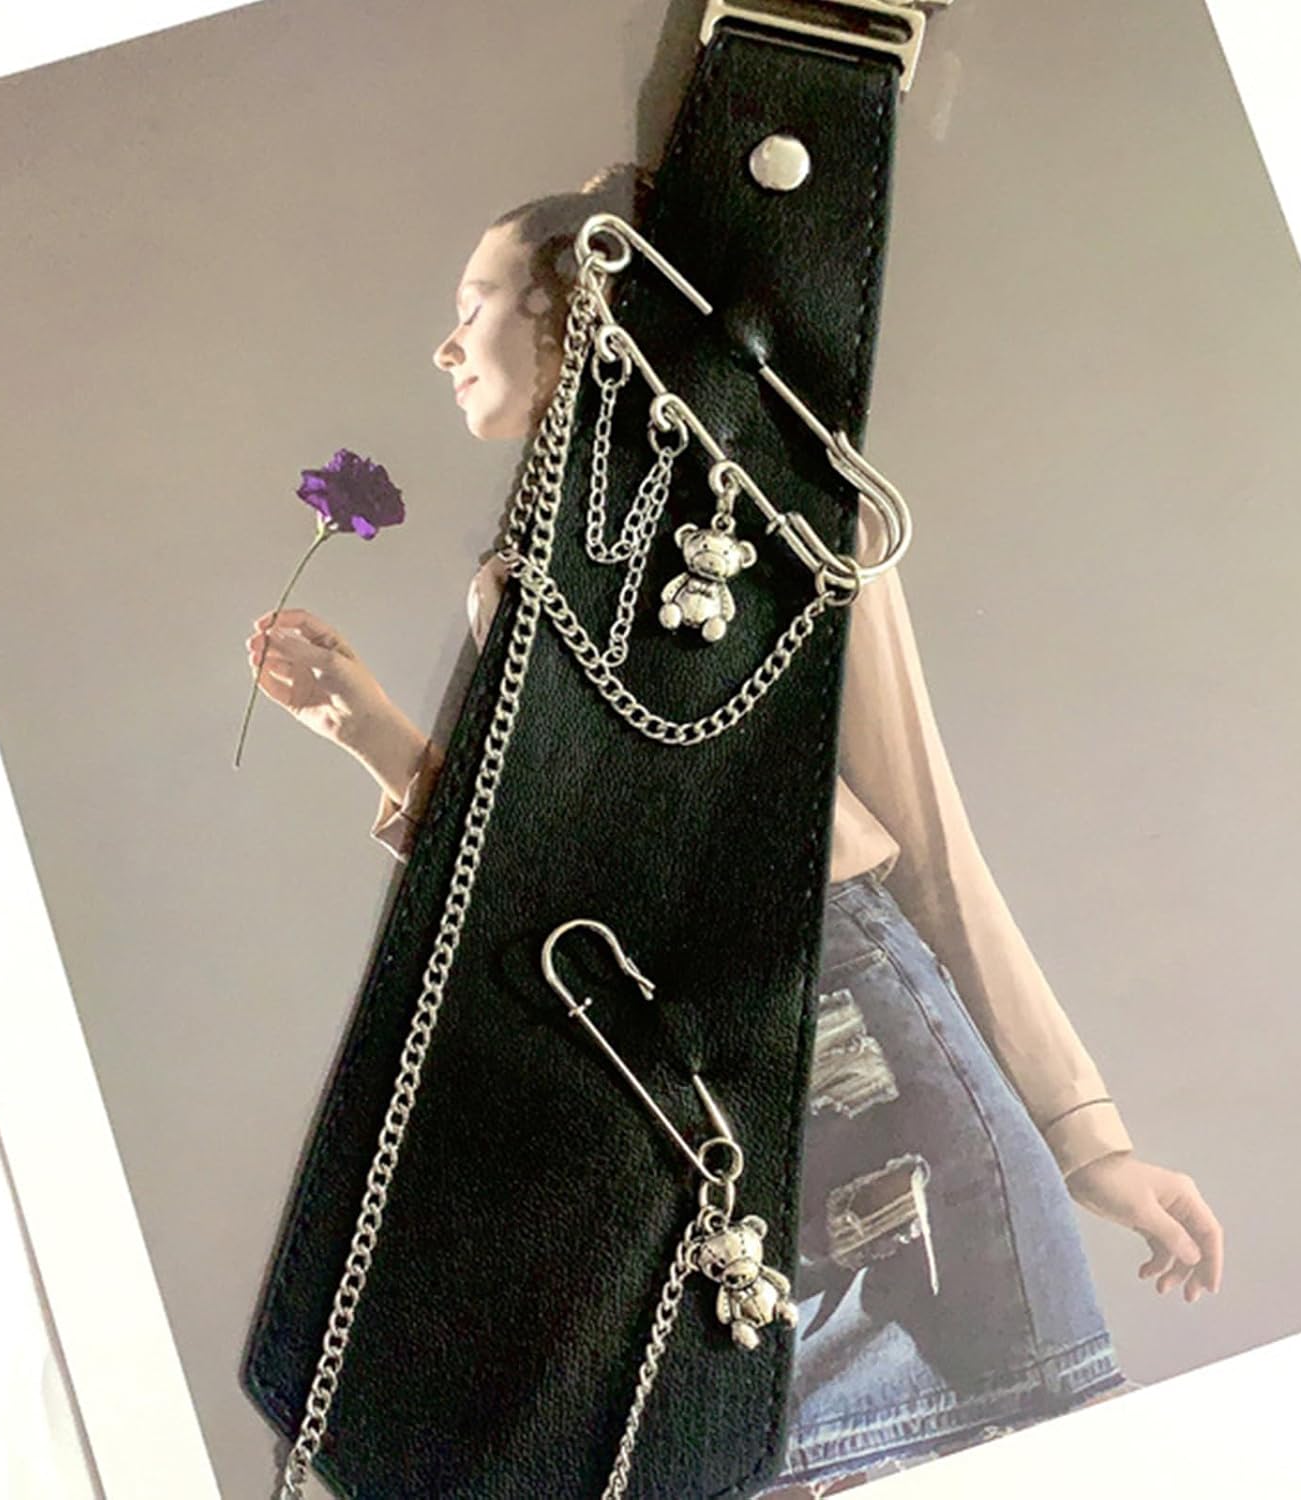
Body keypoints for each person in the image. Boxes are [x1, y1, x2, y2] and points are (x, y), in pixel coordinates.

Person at [243, 166, 1224, 1497]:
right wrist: (368, 730)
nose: (445, 345)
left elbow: (929, 836)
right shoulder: (519, 577)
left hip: (849, 1028)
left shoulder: (792, 515)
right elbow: (529, 895)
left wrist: (1085, 1135)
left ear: (579, 310)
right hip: (669, 1071)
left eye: (474, 305)